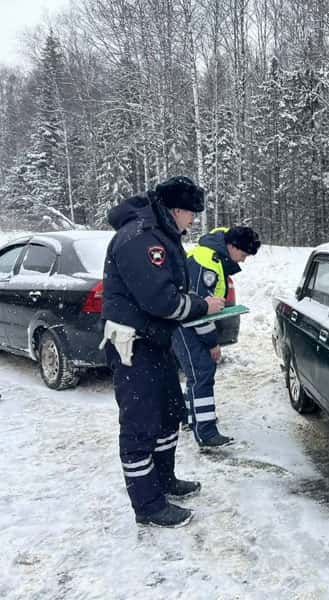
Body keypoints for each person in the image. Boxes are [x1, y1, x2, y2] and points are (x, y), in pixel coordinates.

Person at [102, 175, 226, 528]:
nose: (193, 222)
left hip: (155, 342)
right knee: (141, 424)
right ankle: (148, 504)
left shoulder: (160, 233)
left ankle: (164, 480)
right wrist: (204, 306)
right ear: (176, 210)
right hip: (132, 345)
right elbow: (161, 300)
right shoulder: (140, 238)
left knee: (169, 413)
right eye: (191, 215)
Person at [172, 225, 261, 448]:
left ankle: (190, 418)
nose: (243, 261)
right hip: (184, 324)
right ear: (231, 246)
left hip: (183, 321)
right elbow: (199, 313)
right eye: (243, 255)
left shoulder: (212, 255)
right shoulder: (207, 265)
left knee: (196, 372)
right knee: (202, 371)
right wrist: (213, 344)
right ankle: (206, 433)